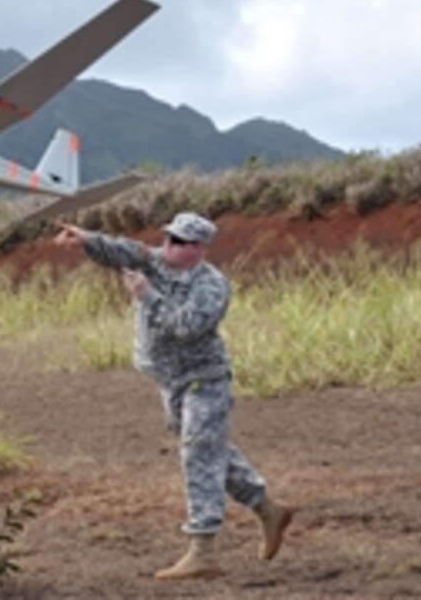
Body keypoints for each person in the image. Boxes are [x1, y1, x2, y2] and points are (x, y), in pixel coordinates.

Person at [53, 211, 293, 580]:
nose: (168, 246)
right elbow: (120, 250)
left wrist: (146, 295)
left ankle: (203, 551)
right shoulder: (154, 259)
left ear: (198, 250)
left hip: (204, 378)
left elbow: (188, 327)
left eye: (179, 242)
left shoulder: (212, 285)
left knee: (198, 452)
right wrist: (84, 237)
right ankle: (267, 509)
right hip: (170, 380)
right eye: (168, 238)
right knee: (208, 449)